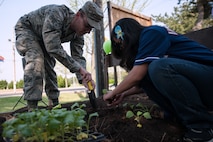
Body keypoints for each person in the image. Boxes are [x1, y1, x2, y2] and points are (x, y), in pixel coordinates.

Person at [103, 18, 213, 142]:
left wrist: (114, 92)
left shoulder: (152, 33)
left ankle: (201, 129)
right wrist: (123, 93)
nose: (120, 47)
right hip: (202, 84)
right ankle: (179, 121)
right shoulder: (146, 49)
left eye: (120, 42)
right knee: (149, 75)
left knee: (160, 67)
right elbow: (142, 81)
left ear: (128, 34)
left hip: (209, 74)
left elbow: (137, 75)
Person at [15, 1, 103, 110]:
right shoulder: (57, 14)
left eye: (91, 28)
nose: (88, 31)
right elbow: (53, 47)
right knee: (36, 61)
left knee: (49, 68)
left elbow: (78, 58)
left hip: (44, 39)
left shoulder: (79, 35)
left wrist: (83, 77)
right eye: (87, 25)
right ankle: (32, 110)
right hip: (27, 29)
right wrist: (79, 69)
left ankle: (55, 106)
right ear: (78, 15)